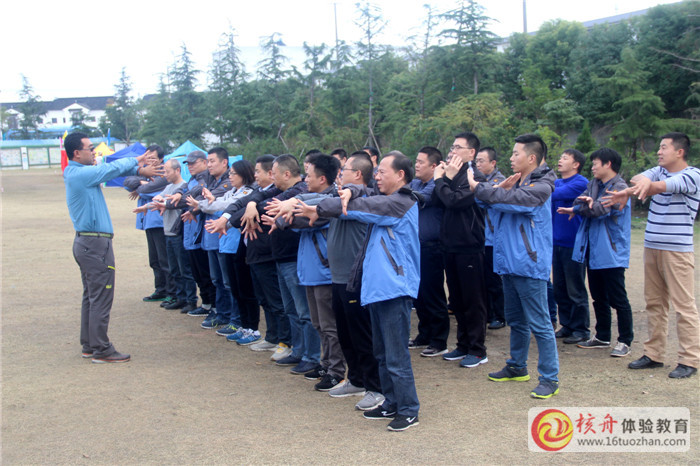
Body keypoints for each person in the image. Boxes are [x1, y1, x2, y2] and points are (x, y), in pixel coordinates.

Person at [311, 152, 421, 432]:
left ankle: (409, 409)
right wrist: (350, 190)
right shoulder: (384, 198)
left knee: (396, 356)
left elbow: (359, 206)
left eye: (383, 171)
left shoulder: (401, 202)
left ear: (401, 175)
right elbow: (362, 192)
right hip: (377, 289)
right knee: (381, 353)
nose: (378, 176)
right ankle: (391, 402)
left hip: (394, 289)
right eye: (376, 171)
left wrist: (323, 206)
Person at [470, 134, 560, 399]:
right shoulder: (516, 182)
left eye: (515, 153)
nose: (511, 158)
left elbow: (502, 199)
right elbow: (486, 200)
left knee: (541, 324)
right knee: (517, 320)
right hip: (509, 262)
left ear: (531, 158)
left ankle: (550, 378)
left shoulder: (541, 187)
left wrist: (481, 187)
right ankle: (517, 366)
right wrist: (494, 190)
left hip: (529, 263)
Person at [606, 132, 700, 379]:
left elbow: (657, 187)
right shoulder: (658, 171)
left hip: (677, 250)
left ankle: (689, 359)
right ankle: (654, 354)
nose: (659, 152)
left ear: (679, 152)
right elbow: (639, 179)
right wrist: (635, 187)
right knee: (654, 303)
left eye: (664, 147)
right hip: (652, 247)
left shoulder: (692, 175)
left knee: (684, 306)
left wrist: (634, 190)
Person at [64, 131, 162, 363]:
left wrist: (138, 169)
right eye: (90, 148)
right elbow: (109, 170)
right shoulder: (80, 174)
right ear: (77, 153)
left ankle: (90, 344)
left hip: (88, 243)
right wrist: (136, 162)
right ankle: (101, 348)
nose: (94, 152)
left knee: (92, 296)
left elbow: (110, 171)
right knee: (101, 296)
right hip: (94, 244)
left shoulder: (77, 173)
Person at [558, 148, 632, 357]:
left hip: (611, 250)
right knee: (598, 296)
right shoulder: (594, 184)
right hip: (592, 247)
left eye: (595, 163)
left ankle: (625, 340)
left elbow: (600, 210)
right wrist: (585, 206)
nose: (592, 167)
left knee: (618, 297)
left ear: (608, 164)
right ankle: (602, 336)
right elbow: (579, 202)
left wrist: (588, 206)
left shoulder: (620, 187)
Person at [433, 132, 488, 368]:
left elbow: (454, 201)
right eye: (452, 147)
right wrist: (445, 178)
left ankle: (477, 349)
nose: (452, 151)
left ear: (471, 153)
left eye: (458, 147)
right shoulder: (452, 174)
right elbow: (438, 200)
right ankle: (463, 344)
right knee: (457, 300)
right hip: (449, 244)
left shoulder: (475, 177)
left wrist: (441, 180)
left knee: (473, 299)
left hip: (469, 245)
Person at [408, 146, 449, 357]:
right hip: (415, 246)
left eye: (420, 162)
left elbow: (422, 198)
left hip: (432, 247)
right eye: (416, 161)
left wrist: (405, 194)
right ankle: (424, 334)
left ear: (434, 166)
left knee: (433, 294)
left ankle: (439, 340)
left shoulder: (437, 184)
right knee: (419, 294)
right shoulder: (415, 183)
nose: (416, 165)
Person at [144, 158, 198, 314]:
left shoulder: (184, 188)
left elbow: (171, 203)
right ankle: (180, 298)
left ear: (177, 170)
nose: (165, 174)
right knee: (174, 269)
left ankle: (191, 300)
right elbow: (158, 200)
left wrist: (163, 202)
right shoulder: (168, 187)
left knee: (184, 269)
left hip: (178, 233)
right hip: (167, 233)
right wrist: (145, 207)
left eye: (167, 171)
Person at [550, 149, 590, 344]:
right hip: (556, 241)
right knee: (560, 287)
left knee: (575, 287)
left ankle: (581, 329)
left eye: (565, 158)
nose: (560, 160)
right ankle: (566, 325)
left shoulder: (581, 183)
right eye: (560, 157)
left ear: (576, 164)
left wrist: (540, 189)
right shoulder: (557, 182)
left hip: (573, 243)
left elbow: (554, 194)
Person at [474, 147, 506, 330]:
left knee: (494, 279)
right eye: (476, 161)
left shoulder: (500, 181)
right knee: (483, 278)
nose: (478, 164)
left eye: (482, 161)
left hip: (494, 238)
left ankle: (499, 315)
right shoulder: (478, 181)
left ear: (493, 163)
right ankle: (488, 312)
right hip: (481, 237)